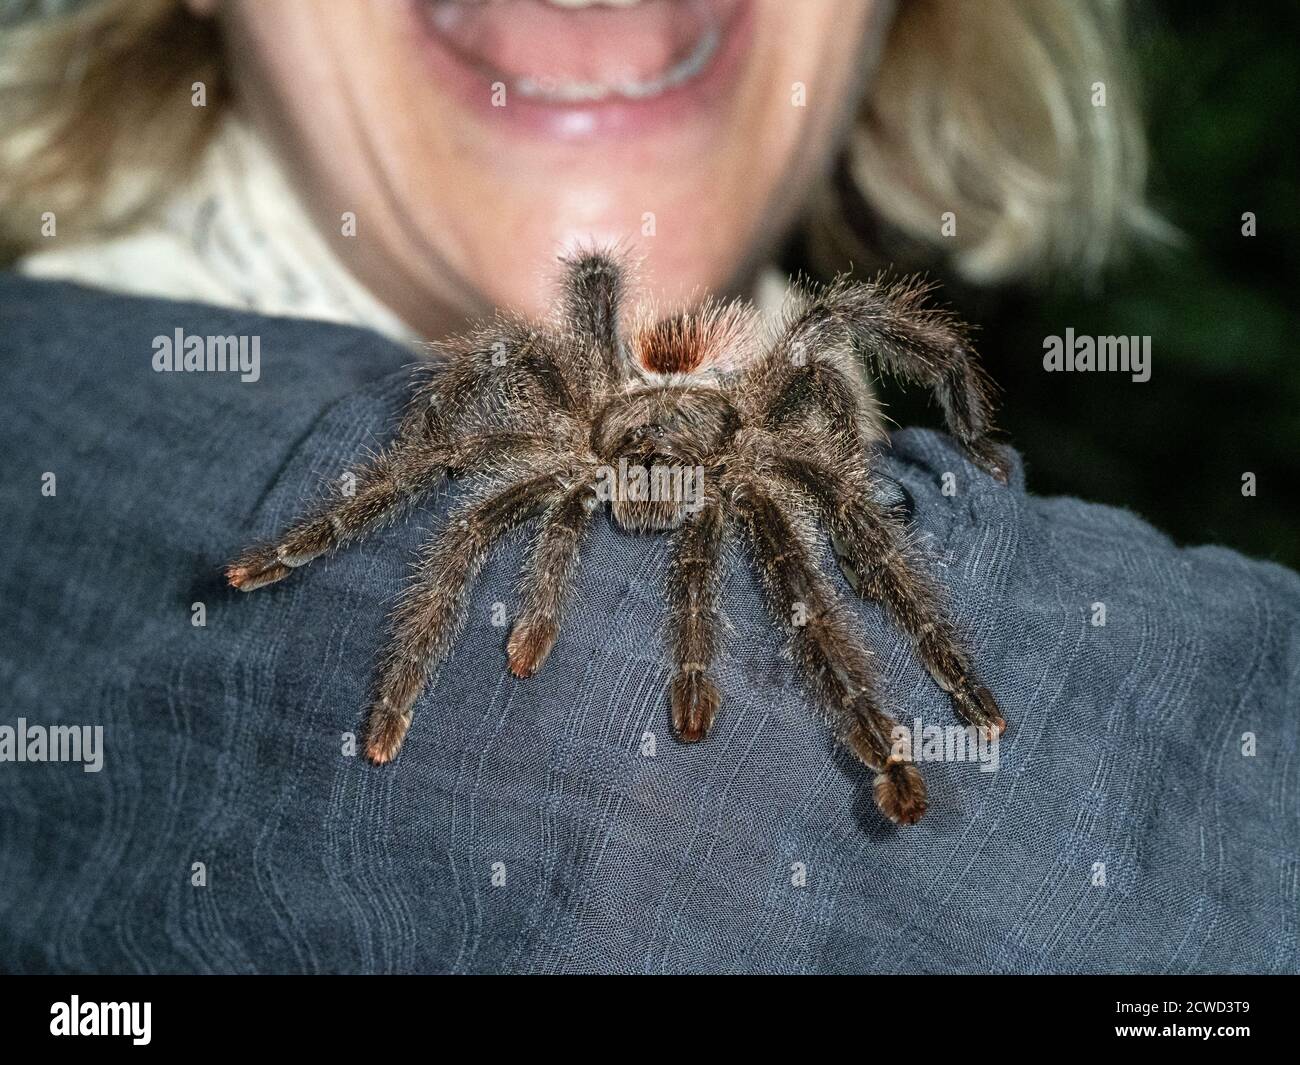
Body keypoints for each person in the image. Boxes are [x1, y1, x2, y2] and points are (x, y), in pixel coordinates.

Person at [0, 0, 1294, 974]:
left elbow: (871, 438)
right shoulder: (102, 410)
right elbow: (436, 470)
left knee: (808, 529)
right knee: (475, 494)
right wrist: (314, 563)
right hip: (606, 412)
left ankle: (918, 721)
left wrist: (943, 679)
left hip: (722, 413)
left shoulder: (787, 397)